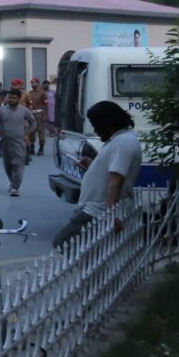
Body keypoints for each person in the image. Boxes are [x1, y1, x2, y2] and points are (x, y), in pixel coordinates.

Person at [52, 102, 143, 249]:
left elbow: (115, 182)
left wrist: (111, 215)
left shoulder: (122, 143)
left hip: (97, 210)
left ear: (107, 125)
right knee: (89, 249)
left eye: (96, 126)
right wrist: (92, 165)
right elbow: (111, 171)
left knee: (62, 242)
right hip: (94, 208)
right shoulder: (119, 140)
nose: (95, 130)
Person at [0, 88, 35, 197]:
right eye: (10, 97)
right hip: (5, 141)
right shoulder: (2, 110)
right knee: (8, 165)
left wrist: (27, 135)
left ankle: (15, 187)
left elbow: (33, 123)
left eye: (14, 98)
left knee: (18, 164)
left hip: (19, 142)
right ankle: (12, 182)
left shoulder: (24, 111)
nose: (11, 100)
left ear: (19, 99)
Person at [25, 77, 48, 156]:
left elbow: (45, 105)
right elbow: (27, 104)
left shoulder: (42, 93)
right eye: (31, 83)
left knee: (40, 131)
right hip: (31, 114)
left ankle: (41, 148)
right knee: (31, 131)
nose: (32, 84)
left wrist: (45, 115)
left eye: (34, 83)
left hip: (39, 114)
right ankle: (32, 147)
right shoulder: (29, 93)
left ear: (38, 83)